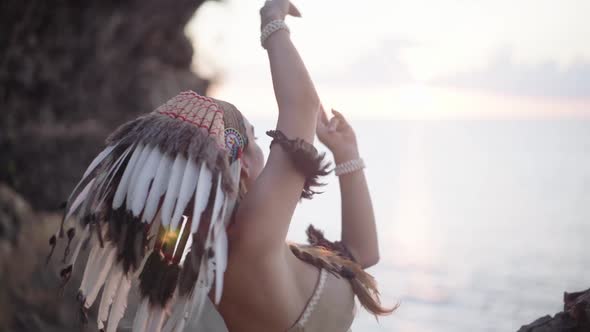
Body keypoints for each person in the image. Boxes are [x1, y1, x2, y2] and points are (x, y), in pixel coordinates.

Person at [49, 0, 394, 331]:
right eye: (257, 139)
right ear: (240, 167)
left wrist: (347, 156)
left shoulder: (200, 250)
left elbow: (363, 254)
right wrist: (273, 20)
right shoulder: (251, 241)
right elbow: (301, 105)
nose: (265, 149)